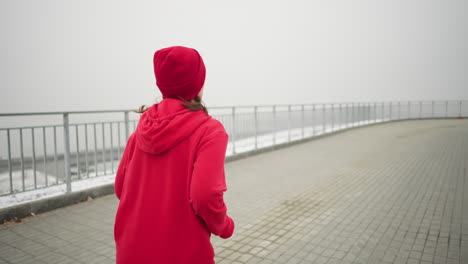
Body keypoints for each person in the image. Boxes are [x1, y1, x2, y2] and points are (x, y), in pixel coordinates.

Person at [113, 46, 235, 264]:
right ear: (198, 83)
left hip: (131, 252)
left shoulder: (140, 132)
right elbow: (205, 197)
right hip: (183, 254)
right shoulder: (209, 130)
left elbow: (121, 187)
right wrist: (225, 226)